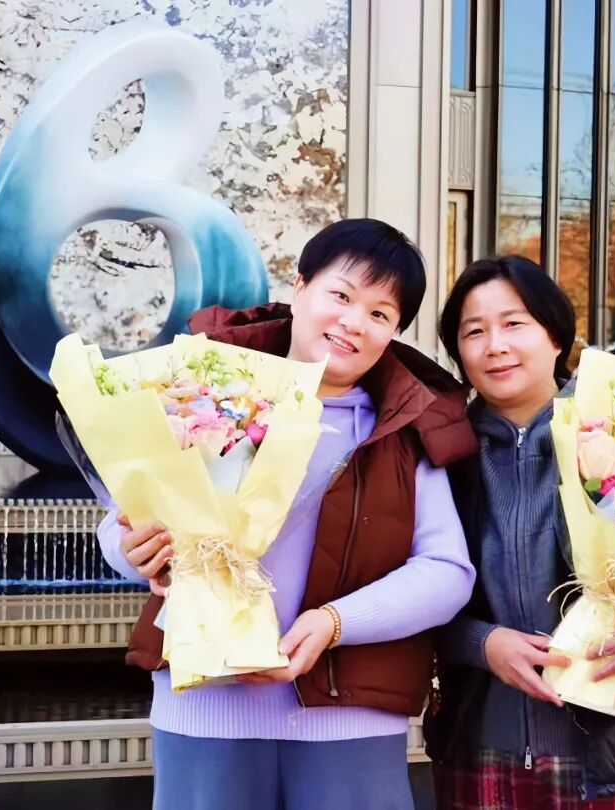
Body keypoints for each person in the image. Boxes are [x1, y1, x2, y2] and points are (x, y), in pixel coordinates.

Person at [96, 219, 477, 810]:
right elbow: (122, 520)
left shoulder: (405, 429)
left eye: (380, 314)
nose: (354, 322)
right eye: (341, 295)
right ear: (299, 287)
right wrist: (133, 551)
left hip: (349, 722)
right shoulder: (199, 393)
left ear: (394, 332)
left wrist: (334, 623)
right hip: (206, 707)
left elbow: (447, 572)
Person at [427, 256, 615, 809]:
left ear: (554, 336)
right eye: (474, 332)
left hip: (612, 752)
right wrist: (482, 644)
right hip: (480, 746)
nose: (495, 345)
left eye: (514, 323)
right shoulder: (442, 453)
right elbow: (414, 589)